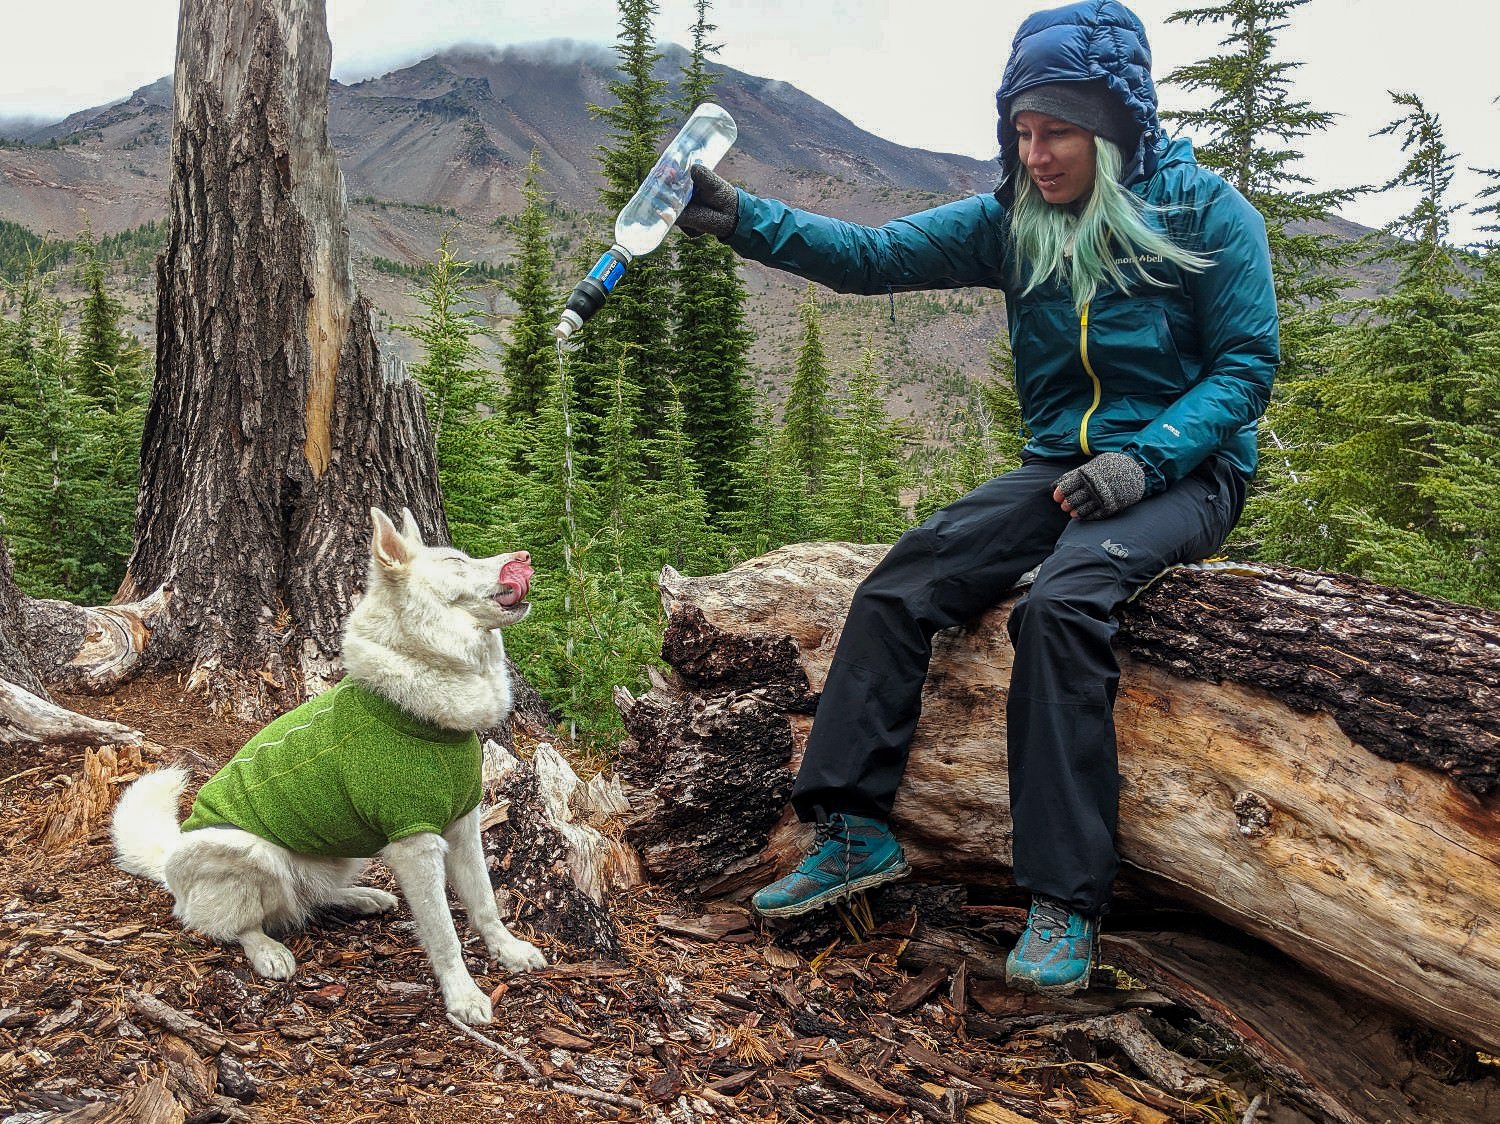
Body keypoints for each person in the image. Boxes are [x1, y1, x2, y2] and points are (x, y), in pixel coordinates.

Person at [677, 0, 1278, 996]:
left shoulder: (1209, 214)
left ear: (1113, 127)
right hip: (1061, 463)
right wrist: (741, 217)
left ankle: (1065, 899)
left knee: (1060, 605)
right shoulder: (1016, 218)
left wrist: (1148, 461)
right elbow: (873, 260)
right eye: (1021, 132)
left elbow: (1245, 367)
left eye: (1056, 132)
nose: (1034, 153)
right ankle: (853, 829)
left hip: (1190, 467)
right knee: (900, 583)